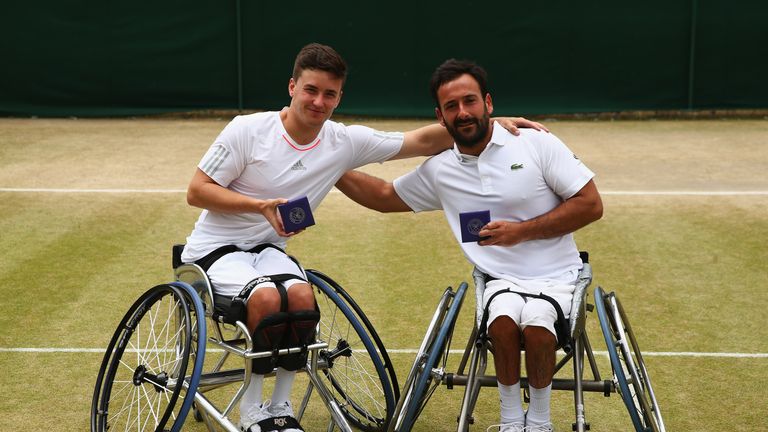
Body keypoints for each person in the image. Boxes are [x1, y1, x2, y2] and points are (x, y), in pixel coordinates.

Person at [181, 43, 544, 432]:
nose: (319, 101)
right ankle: (253, 412)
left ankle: (280, 407)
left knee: (303, 298)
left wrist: (489, 121)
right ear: (292, 86)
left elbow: (420, 141)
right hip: (214, 252)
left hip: (268, 252)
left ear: (339, 97)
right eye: (311, 90)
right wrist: (261, 207)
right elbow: (197, 191)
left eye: (329, 94)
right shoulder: (247, 130)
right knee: (269, 297)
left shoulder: (342, 142)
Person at [335, 59, 603, 432]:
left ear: (488, 103)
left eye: (470, 101)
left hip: (558, 276)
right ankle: (511, 420)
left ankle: (539, 422)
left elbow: (591, 205)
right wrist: (330, 166)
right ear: (440, 116)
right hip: (499, 281)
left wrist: (520, 232)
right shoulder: (441, 169)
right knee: (504, 322)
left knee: (540, 323)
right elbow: (383, 195)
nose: (463, 112)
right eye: (451, 106)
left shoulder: (537, 144)